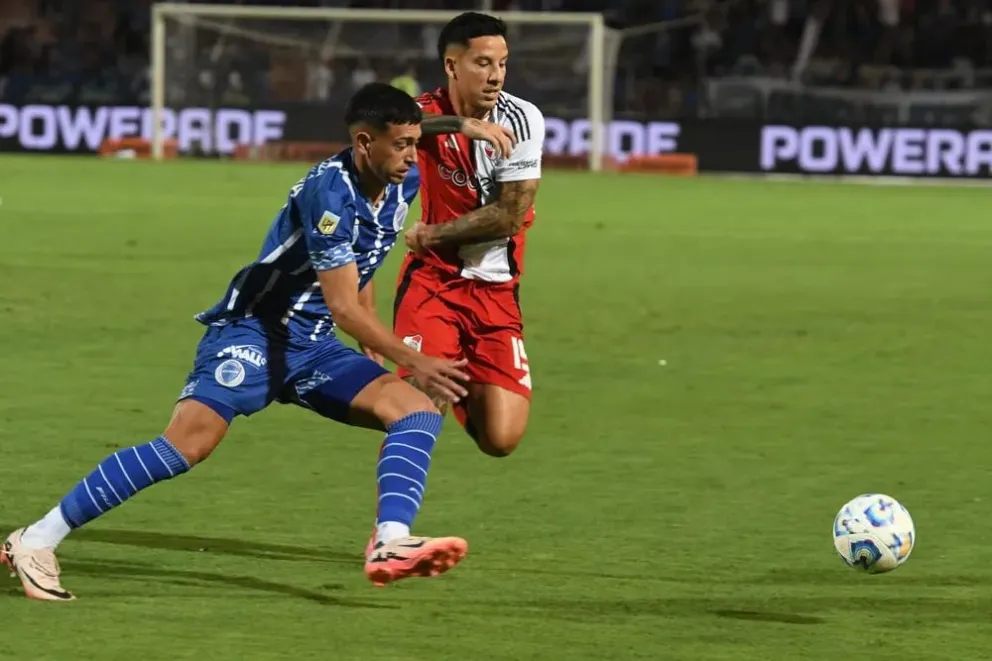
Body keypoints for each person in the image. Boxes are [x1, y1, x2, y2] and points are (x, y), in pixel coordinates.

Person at [1, 82, 515, 601]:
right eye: (401, 144)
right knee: (186, 445)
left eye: (413, 142)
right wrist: (411, 357)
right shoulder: (330, 194)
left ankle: (391, 542)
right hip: (254, 331)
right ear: (364, 143)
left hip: (312, 344)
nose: (412, 154)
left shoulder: (399, 179)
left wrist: (462, 125)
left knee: (415, 411)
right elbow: (341, 304)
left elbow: (366, 262)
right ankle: (36, 540)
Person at [394, 12, 544, 460]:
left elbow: (509, 217)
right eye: (482, 63)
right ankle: (391, 528)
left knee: (501, 439)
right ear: (451, 66)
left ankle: (452, 380)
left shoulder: (522, 118)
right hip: (432, 285)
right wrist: (463, 125)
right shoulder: (423, 112)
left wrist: (432, 233)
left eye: (502, 64)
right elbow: (384, 126)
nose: (495, 76)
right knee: (419, 412)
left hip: (497, 293)